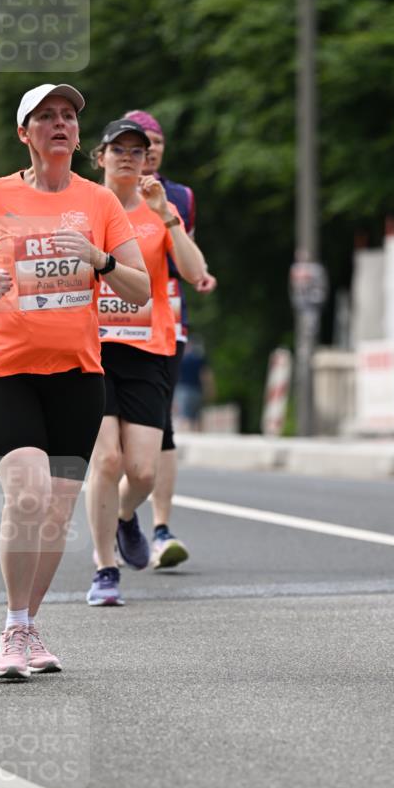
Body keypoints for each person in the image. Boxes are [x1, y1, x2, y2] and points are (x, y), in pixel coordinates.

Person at [0, 84, 150, 679]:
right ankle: (11, 628)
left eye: (68, 117)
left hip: (78, 376)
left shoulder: (100, 203)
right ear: (24, 133)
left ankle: (28, 627)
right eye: (45, 117)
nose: (59, 124)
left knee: (55, 515)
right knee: (27, 495)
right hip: (3, 370)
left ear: (78, 136)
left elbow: (140, 290)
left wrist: (99, 259)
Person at [85, 119, 206, 605]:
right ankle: (104, 569)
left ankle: (123, 517)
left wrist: (168, 217)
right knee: (108, 459)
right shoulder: (81, 208)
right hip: (89, 350)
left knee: (143, 473)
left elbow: (196, 274)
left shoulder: (162, 210)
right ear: (101, 157)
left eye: (137, 151)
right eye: (119, 150)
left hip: (147, 350)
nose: (129, 158)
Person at [123, 110, 217, 568]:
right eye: (140, 142)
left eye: (156, 141)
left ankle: (159, 529)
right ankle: (115, 524)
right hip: (105, 328)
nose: (150, 148)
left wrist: (199, 274)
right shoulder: (100, 194)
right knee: (112, 439)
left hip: (165, 322)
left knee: (161, 428)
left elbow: (184, 257)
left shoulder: (178, 196)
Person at [174, 337, 215, 431]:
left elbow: (175, 375)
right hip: (197, 390)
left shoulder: (181, 359)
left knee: (185, 415)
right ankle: (197, 434)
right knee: (197, 415)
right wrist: (210, 389)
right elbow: (206, 375)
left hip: (183, 390)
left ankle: (188, 435)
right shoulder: (200, 359)